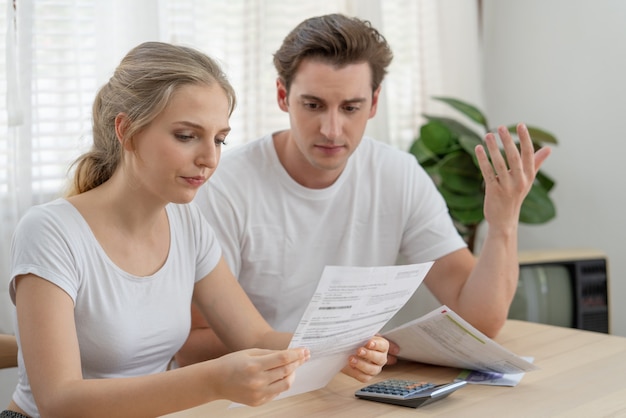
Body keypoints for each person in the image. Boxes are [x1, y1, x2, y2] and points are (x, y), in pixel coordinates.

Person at [2, 41, 388, 418]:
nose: (209, 158)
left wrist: (340, 349)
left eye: (219, 139)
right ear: (127, 131)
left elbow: (255, 338)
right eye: (187, 136)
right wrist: (212, 381)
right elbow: (59, 401)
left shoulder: (187, 224)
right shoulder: (51, 231)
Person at [177, 13, 551, 367]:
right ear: (282, 96)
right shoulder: (226, 185)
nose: (332, 129)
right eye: (313, 105)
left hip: (349, 388)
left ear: (373, 103)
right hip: (257, 396)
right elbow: (192, 346)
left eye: (351, 107)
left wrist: (503, 224)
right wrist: (328, 350)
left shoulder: (397, 174)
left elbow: (478, 321)